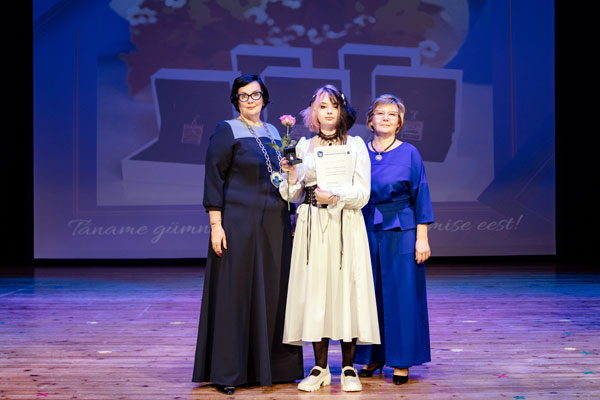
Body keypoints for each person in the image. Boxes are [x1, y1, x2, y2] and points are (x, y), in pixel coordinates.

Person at [192, 74, 304, 395]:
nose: (251, 100)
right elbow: (214, 177)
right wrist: (216, 225)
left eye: (256, 94)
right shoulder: (226, 130)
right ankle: (229, 371)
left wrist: (291, 215)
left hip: (274, 223)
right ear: (235, 100)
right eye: (244, 96)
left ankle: (275, 368)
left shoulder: (274, 132)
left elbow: (282, 178)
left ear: (264, 98)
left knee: (273, 293)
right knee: (235, 293)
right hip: (238, 223)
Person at [280, 85, 380, 392]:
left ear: (342, 111)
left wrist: (336, 197)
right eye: (322, 106)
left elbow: (363, 193)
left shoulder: (356, 145)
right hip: (312, 224)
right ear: (313, 111)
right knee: (316, 292)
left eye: (334, 106)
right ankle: (320, 367)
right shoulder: (302, 147)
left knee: (347, 289)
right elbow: (291, 195)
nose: (328, 112)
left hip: (345, 223)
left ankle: (348, 368)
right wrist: (290, 175)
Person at [354, 94, 434, 385]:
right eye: (380, 113)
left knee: (402, 294)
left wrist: (422, 238)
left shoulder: (410, 153)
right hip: (364, 228)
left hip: (402, 230)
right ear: (370, 120)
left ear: (399, 122)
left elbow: (420, 195)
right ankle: (372, 356)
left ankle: (401, 360)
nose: (386, 118)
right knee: (368, 294)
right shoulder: (358, 151)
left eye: (392, 114)